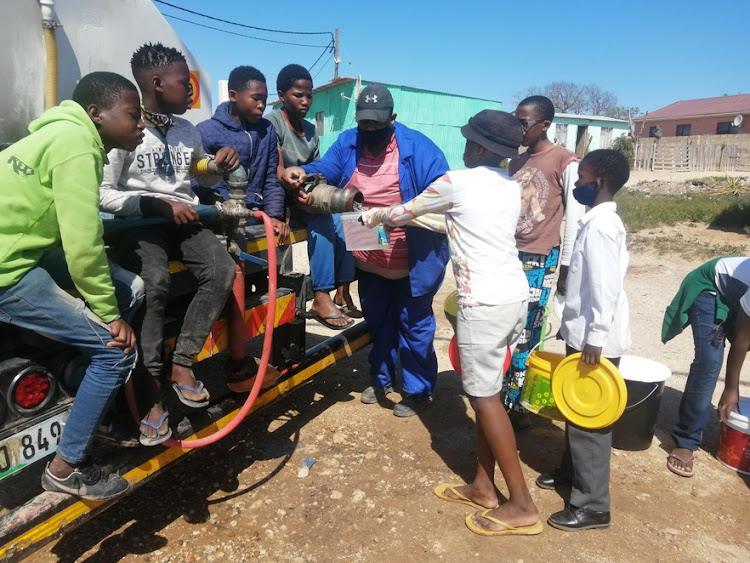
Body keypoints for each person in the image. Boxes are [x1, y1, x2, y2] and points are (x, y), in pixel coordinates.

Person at [361, 110, 542, 536]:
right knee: (488, 393)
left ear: (477, 146)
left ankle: (521, 504)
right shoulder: (508, 187)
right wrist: (401, 215)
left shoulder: (457, 181)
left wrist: (374, 216)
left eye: (467, 140)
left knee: (483, 400)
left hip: (483, 301)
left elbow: (408, 210)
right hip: (513, 296)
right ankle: (483, 486)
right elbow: (453, 222)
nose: (463, 145)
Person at [0, 71, 144, 500]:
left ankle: (90, 392)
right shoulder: (78, 144)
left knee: (131, 286)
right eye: (133, 115)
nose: (141, 124)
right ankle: (66, 468)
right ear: (97, 114)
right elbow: (83, 245)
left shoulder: (63, 135)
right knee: (116, 353)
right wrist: (110, 317)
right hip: (8, 270)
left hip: (29, 251)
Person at [100, 43, 239, 446]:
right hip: (139, 223)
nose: (192, 90)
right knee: (155, 283)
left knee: (222, 269)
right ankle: (149, 394)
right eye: (185, 82)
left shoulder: (186, 129)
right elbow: (102, 194)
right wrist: (155, 204)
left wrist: (218, 166)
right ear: (158, 84)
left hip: (182, 220)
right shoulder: (124, 127)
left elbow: (199, 176)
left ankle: (181, 364)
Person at [282, 84, 449, 417]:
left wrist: (400, 215)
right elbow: (326, 169)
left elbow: (442, 197)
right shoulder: (349, 141)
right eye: (364, 123)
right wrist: (304, 173)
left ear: (392, 118)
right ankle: (381, 378)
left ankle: (418, 390)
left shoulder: (418, 148)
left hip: (412, 259)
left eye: (377, 123)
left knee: (414, 325)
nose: (369, 129)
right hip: (369, 254)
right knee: (379, 321)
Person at [540, 149, 631, 532]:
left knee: (590, 422)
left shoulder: (601, 227)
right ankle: (570, 472)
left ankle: (592, 506)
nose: (576, 185)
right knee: (573, 409)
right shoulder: (596, 221)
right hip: (585, 333)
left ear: (600, 183)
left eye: (582, 179)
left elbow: (605, 287)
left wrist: (594, 336)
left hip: (598, 341)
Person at [502, 95, 586, 429]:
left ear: (544, 125)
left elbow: (575, 218)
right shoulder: (515, 162)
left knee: (528, 331)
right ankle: (502, 395)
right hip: (512, 253)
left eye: (523, 123)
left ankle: (517, 404)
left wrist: (564, 269)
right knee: (507, 326)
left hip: (541, 257)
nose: (518, 128)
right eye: (516, 121)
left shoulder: (565, 161)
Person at [267, 63, 358, 330]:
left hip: (304, 196)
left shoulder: (310, 131)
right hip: (277, 198)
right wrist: (295, 191)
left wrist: (308, 190)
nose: (306, 101)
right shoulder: (272, 123)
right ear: (282, 95)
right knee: (322, 222)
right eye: (298, 95)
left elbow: (318, 170)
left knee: (345, 218)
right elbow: (273, 166)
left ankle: (343, 289)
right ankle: (321, 295)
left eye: (309, 95)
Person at [662, 257, 750, 477]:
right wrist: (731, 389)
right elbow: (742, 340)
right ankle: (686, 440)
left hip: (738, 300)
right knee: (710, 359)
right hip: (710, 288)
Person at [193, 65, 289, 244]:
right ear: (233, 95)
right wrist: (223, 205)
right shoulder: (206, 131)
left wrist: (274, 215)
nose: (262, 105)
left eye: (265, 99)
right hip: (220, 217)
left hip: (256, 213)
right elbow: (195, 181)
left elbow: (271, 178)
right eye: (256, 98)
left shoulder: (267, 130)